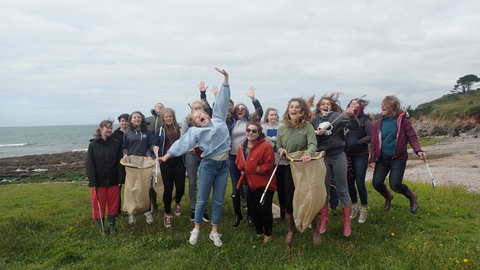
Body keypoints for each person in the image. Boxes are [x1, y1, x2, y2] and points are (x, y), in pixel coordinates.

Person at [158, 67, 230, 247]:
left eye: (201, 114)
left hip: (224, 167)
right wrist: (167, 155)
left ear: (207, 114)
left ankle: (214, 231)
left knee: (219, 200)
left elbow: (222, 100)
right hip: (208, 166)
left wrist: (226, 79)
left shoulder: (219, 119)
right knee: (202, 199)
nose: (199, 117)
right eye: (196, 118)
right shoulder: (196, 132)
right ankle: (196, 228)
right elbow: (182, 143)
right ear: (196, 123)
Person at [311, 93, 359, 237]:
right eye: (322, 104)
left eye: (328, 104)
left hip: (338, 155)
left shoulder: (338, 116)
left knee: (342, 188)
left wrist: (352, 116)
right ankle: (325, 218)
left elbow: (355, 126)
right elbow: (307, 135)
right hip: (323, 157)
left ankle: (346, 221)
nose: (325, 106)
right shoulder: (314, 120)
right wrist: (315, 133)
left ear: (331, 106)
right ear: (319, 107)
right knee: (324, 189)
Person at [369, 95, 424, 213]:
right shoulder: (378, 123)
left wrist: (418, 150)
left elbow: (412, 137)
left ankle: (412, 197)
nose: (382, 106)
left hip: (398, 158)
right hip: (382, 159)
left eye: (385, 104)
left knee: (395, 185)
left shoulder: (403, 121)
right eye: (382, 104)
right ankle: (388, 196)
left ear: (392, 107)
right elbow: (374, 142)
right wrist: (372, 159)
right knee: (377, 184)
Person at [276, 98, 321, 245]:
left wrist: (308, 153)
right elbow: (279, 145)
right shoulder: (282, 129)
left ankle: (315, 231)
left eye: (297, 108)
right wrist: (282, 151)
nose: (293, 109)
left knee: (309, 199)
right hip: (290, 167)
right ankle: (291, 229)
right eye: (291, 107)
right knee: (289, 201)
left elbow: (313, 143)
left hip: (306, 167)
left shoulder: (307, 127)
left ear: (302, 111)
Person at [228, 87, 263, 227]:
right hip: (233, 156)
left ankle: (251, 215)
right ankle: (238, 215)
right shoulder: (230, 123)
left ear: (246, 111)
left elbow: (260, 111)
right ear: (235, 111)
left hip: (248, 156)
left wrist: (253, 99)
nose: (240, 110)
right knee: (235, 186)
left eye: (243, 108)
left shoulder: (251, 121)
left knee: (249, 186)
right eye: (238, 108)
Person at [235, 122, 276, 243]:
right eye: (248, 130)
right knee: (253, 208)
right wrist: (243, 168)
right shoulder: (241, 146)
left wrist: (256, 169)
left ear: (258, 133)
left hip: (266, 183)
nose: (250, 133)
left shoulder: (266, 146)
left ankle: (268, 234)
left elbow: (269, 164)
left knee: (264, 208)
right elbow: (238, 162)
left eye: (254, 131)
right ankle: (259, 232)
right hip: (250, 182)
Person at [181, 81, 212, 223]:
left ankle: (203, 207)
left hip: (205, 155)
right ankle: (194, 208)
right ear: (192, 110)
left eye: (200, 107)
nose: (198, 110)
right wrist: (191, 147)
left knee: (205, 181)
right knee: (193, 181)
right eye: (195, 108)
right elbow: (183, 138)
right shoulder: (187, 121)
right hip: (191, 155)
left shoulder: (207, 121)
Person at [86, 120, 124, 235]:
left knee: (113, 204)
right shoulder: (93, 145)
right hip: (99, 181)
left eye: (111, 127)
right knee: (98, 205)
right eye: (107, 127)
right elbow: (89, 164)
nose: (109, 130)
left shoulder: (116, 143)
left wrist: (120, 179)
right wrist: (93, 182)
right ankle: (101, 227)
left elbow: (120, 162)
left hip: (113, 180)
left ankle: (112, 226)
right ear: (101, 128)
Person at [152, 108, 186, 228]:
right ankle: (167, 214)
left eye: (170, 116)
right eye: (166, 117)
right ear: (163, 119)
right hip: (166, 161)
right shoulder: (160, 130)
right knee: (168, 188)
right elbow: (154, 143)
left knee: (181, 186)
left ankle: (177, 202)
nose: (168, 119)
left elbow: (186, 142)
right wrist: (155, 148)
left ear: (173, 117)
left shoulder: (180, 129)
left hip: (179, 160)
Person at [122, 111, 154, 225]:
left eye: (139, 117)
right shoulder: (127, 133)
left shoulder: (148, 132)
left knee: (146, 187)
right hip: (131, 164)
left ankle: (147, 211)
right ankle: (131, 212)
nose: (137, 119)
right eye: (134, 117)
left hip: (144, 163)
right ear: (131, 120)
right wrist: (125, 154)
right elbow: (124, 147)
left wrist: (149, 155)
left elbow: (150, 146)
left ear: (142, 119)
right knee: (132, 187)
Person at [345, 99, 372, 224]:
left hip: (361, 154)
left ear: (360, 106)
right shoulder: (345, 119)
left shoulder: (365, 120)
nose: (354, 106)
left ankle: (364, 208)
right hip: (347, 154)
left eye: (356, 104)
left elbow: (371, 136)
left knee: (360, 182)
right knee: (349, 182)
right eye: (351, 104)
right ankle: (354, 206)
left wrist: (358, 142)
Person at [261, 107, 286, 221]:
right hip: (268, 162)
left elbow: (283, 141)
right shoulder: (263, 127)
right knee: (269, 188)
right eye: (271, 115)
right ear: (267, 116)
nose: (273, 117)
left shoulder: (282, 127)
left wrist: (273, 139)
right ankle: (267, 211)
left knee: (282, 189)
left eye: (275, 115)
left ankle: (283, 213)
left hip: (280, 161)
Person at [111, 113, 129, 214]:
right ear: (119, 122)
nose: (124, 123)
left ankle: (129, 208)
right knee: (117, 187)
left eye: (126, 121)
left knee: (130, 187)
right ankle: (116, 210)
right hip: (118, 163)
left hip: (130, 163)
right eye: (122, 121)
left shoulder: (132, 133)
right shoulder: (115, 135)